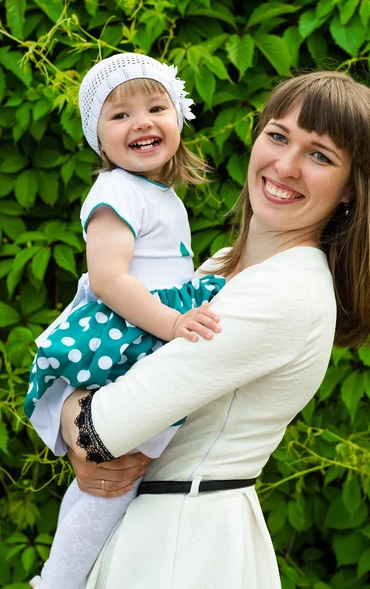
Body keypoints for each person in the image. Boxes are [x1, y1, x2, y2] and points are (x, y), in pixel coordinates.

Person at [47, 71, 370, 588]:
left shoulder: (284, 293)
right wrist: (78, 423)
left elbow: (103, 430)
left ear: (351, 190)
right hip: (151, 531)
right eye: (277, 136)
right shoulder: (217, 270)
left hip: (181, 548)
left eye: (320, 155)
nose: (285, 165)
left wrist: (65, 407)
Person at [27, 52, 226, 589]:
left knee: (124, 476)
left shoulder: (156, 193)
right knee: (110, 481)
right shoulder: (116, 191)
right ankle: (59, 581)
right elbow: (111, 279)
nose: (141, 121)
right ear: (98, 137)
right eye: (119, 115)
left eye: (156, 106)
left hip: (146, 327)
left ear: (178, 119)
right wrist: (171, 323)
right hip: (128, 335)